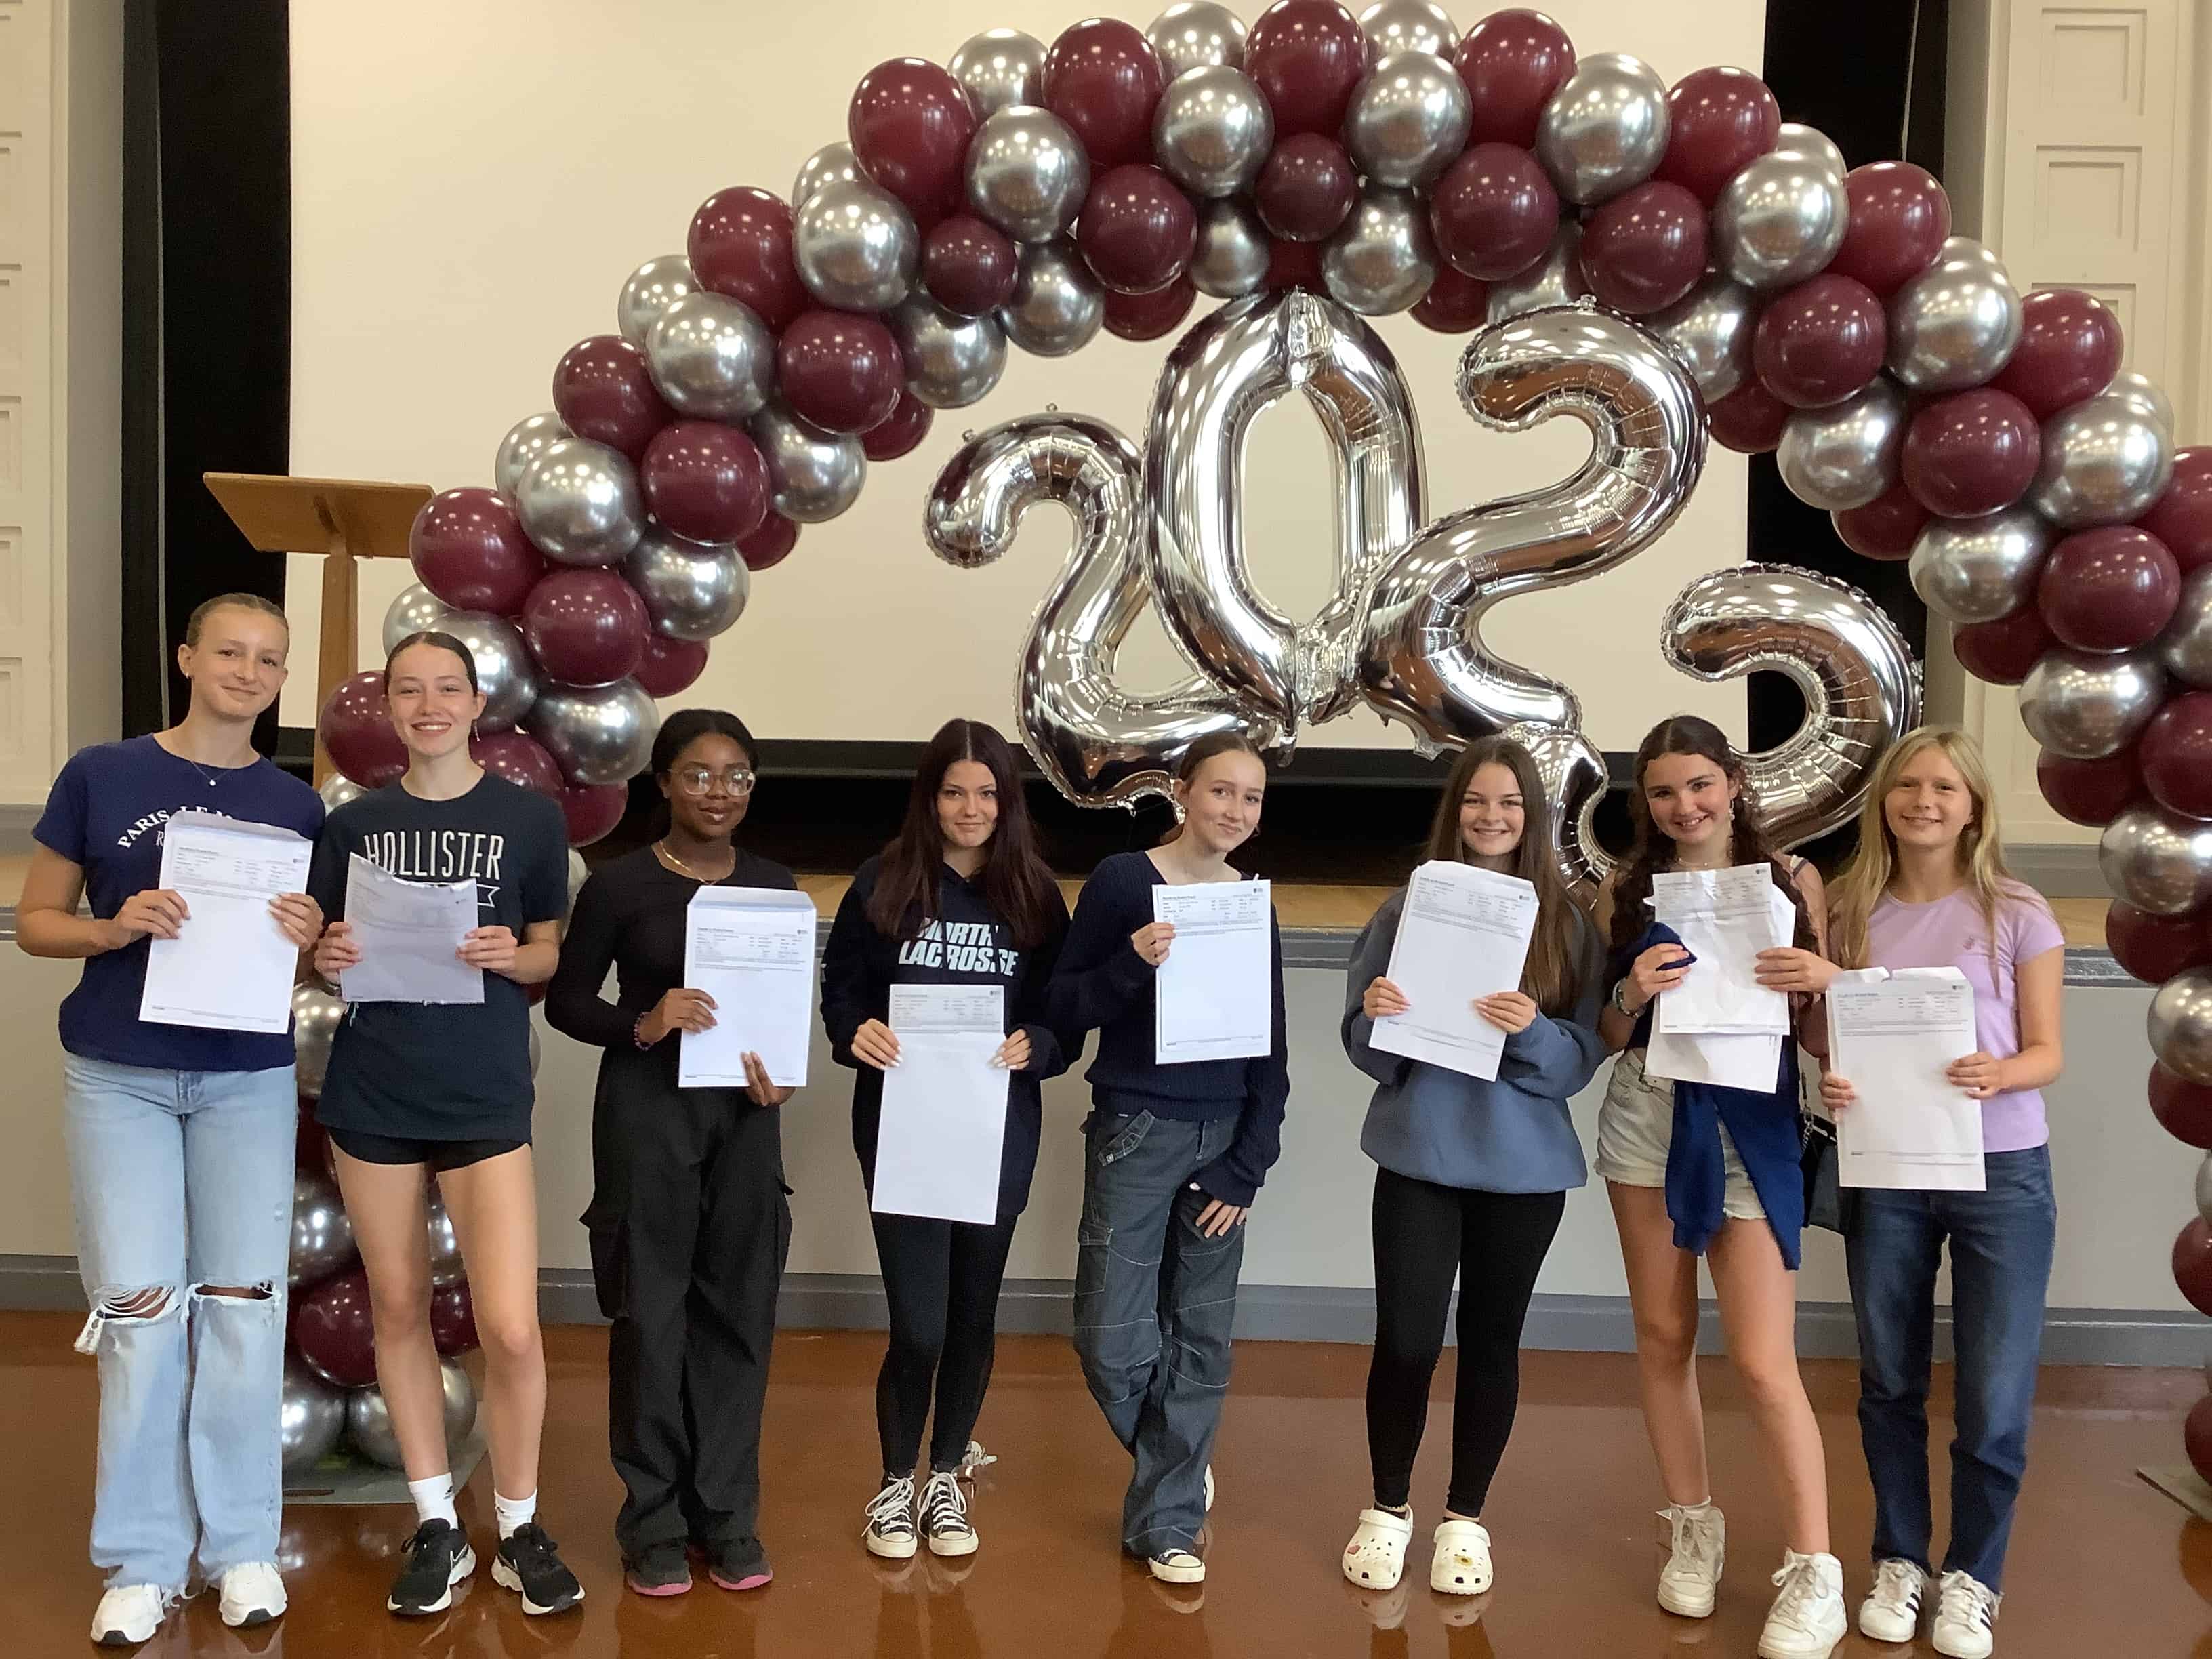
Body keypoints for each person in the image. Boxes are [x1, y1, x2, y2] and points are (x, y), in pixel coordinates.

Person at [20, 594, 323, 1647]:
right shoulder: (103, 773)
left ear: (284, 680)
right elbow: (35, 923)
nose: (247, 671)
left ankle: (241, 1548)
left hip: (245, 1079)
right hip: (121, 1078)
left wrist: (313, 932)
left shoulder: (298, 806)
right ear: (188, 656)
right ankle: (144, 1561)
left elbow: (316, 956)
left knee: (246, 1311)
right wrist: (113, 928)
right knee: (142, 1315)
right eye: (229, 651)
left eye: (269, 660)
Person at [308, 630, 577, 1618]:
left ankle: (519, 1525)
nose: (428, 704)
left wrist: (515, 953)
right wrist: (327, 957)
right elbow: (322, 959)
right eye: (409, 689)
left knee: (508, 1327)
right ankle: (435, 1522)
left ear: (476, 703)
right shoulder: (354, 824)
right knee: (396, 1310)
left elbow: (552, 953)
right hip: (374, 1092)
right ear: (389, 707)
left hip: (483, 1096)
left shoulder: (529, 820)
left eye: (447, 688)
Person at [1594, 714, 1846, 1659]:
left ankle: (1813, 1567)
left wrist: (1815, 985)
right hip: (1648, 1119)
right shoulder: (1626, 887)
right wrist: (1632, 995)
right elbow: (1608, 1040)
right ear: (1646, 804)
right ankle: (1692, 1528)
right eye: (1663, 791)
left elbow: (1817, 1041)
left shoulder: (1792, 880)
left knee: (1761, 1359)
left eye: (1700, 784)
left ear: (1733, 783)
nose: (1684, 805)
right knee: (1663, 1336)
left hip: (1752, 1122)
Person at [1337, 736, 1608, 1599]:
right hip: (1419, 1155)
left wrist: (1528, 1029)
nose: (1492, 818)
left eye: (1510, 806)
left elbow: (1579, 1063)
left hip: (1523, 1173)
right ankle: (1386, 1509)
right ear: (1454, 812)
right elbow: (1362, 1047)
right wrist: (1378, 1017)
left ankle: (1465, 1520)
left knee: (1493, 1343)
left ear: (1535, 818)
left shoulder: (1565, 923)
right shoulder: (1402, 912)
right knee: (1408, 1342)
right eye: (1476, 802)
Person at [1818, 729, 2062, 1659]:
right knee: (1888, 1382)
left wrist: (1998, 1075)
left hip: (2002, 1173)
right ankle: (1900, 1559)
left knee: (1994, 1396)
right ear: (1885, 799)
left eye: (1945, 787)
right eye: (1908, 785)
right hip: (1888, 1168)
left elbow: (2048, 1052)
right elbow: (1827, 1040)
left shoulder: (2016, 910)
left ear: (1973, 806)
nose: (1924, 800)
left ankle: (1973, 1578)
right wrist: (1836, 1078)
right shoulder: (1851, 909)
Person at [546, 708, 797, 1598]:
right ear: (663, 784)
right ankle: (652, 1524)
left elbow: (781, 1013)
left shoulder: (775, 885)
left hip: (746, 1119)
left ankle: (727, 1518)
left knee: (738, 1317)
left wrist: (785, 1077)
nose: (718, 792)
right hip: (648, 1113)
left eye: (736, 776)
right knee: (651, 1317)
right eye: (698, 774)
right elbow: (567, 1003)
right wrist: (643, 1022)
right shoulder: (618, 888)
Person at [822, 718, 1074, 1561]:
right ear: (929, 800)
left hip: (997, 1129)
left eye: (987, 793)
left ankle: (946, 1476)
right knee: (919, 1323)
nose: (971, 809)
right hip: (902, 1129)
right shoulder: (882, 883)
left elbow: (1059, 1021)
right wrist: (855, 1030)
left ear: (1007, 804)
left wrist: (1039, 1046)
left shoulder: (1036, 895)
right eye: (955, 792)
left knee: (972, 1314)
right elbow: (842, 997)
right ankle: (895, 1481)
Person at [1046, 731, 1289, 1586]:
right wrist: (1131, 964)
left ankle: (1170, 1522)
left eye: (1252, 799)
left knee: (1201, 1336)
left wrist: (1248, 1166)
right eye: (1221, 792)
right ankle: (1175, 1462)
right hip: (1136, 1129)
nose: (1235, 811)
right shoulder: (1124, 882)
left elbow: (1272, 1050)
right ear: (1181, 792)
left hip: (1223, 1142)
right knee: (1108, 1337)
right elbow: (1064, 1003)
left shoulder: (1251, 901)